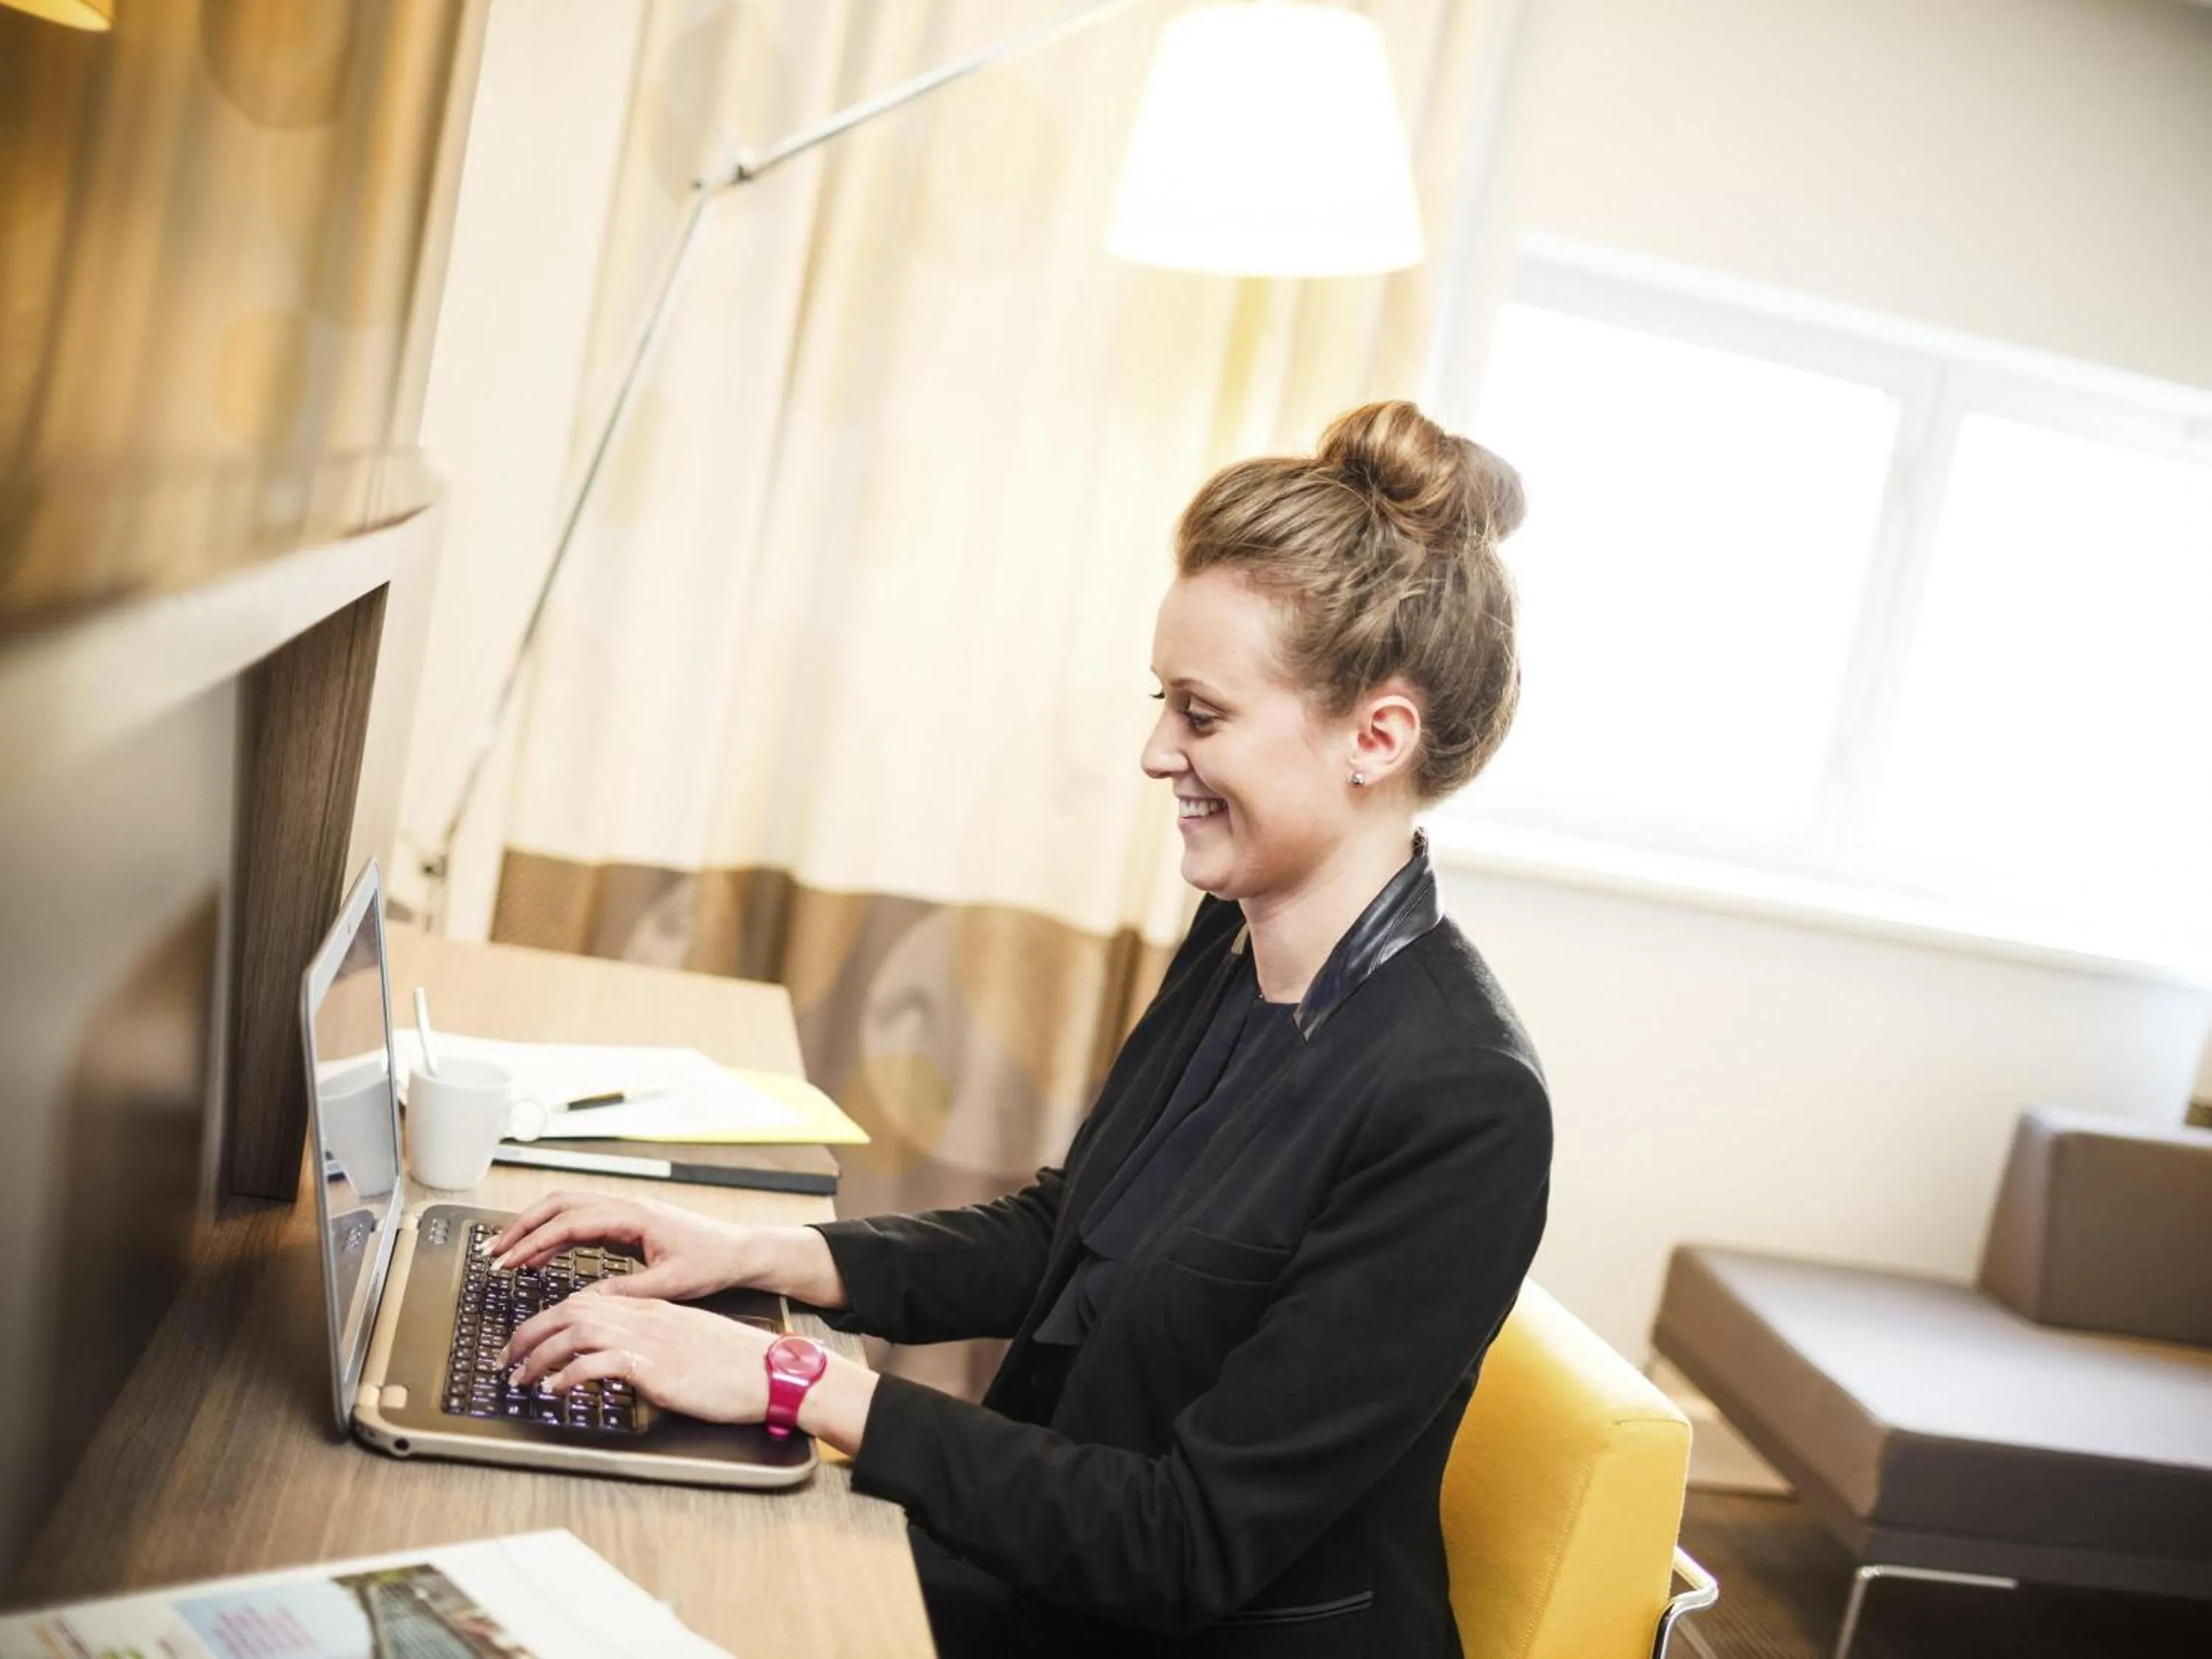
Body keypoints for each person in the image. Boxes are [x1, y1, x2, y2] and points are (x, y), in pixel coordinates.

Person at [493, 400, 1552, 1656]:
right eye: (1164, 702)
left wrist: (799, 1381)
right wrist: (756, 1254)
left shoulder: (1460, 1102)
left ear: (1375, 737)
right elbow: (1066, 1232)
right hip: (1052, 1563)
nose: (1159, 752)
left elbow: (1184, 1540)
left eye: (1203, 715)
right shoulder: (1235, 943)